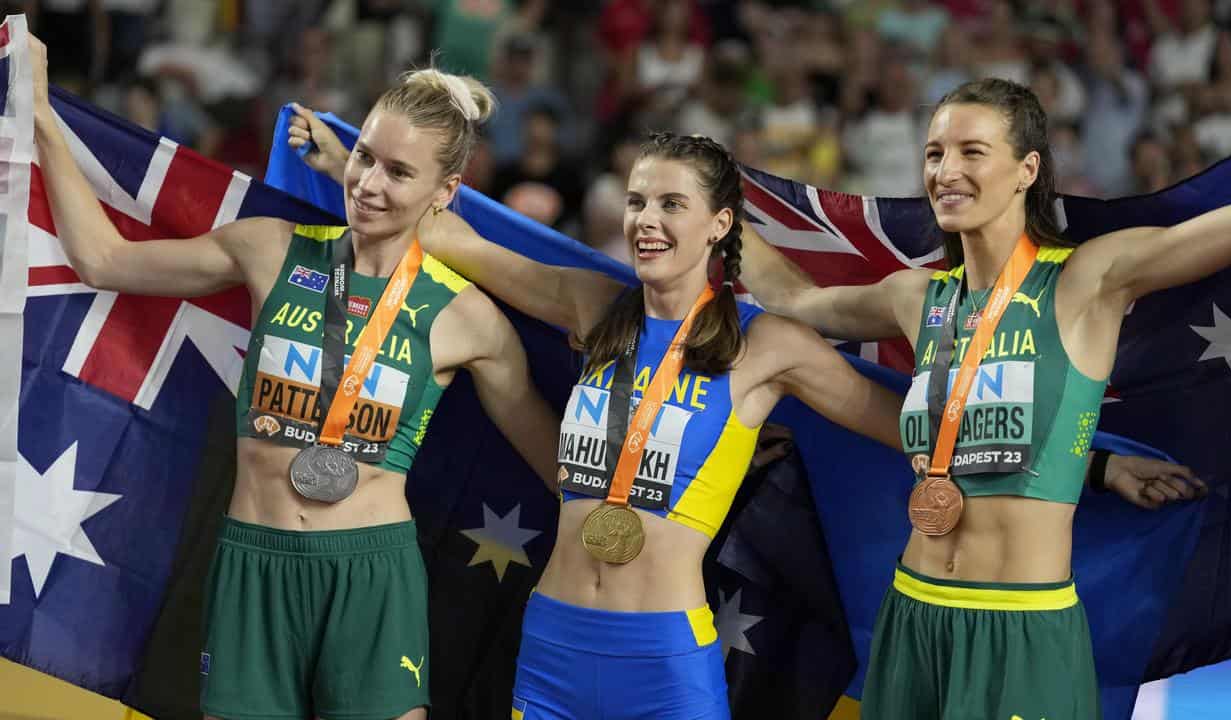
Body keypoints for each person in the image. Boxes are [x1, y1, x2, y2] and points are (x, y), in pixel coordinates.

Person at [289, 117, 905, 717]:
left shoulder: (766, 346)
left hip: (667, 660)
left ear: (720, 224)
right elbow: (456, 241)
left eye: (671, 204)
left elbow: (908, 426)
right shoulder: (593, 306)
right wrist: (351, 168)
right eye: (637, 201)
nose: (646, 220)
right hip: (554, 644)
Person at [30, 35, 559, 720]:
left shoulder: (468, 319)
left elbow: (558, 469)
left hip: (373, 575)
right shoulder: (268, 247)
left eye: (399, 172)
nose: (368, 184)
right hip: (254, 562)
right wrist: (41, 115)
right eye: (364, 157)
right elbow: (104, 260)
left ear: (445, 191)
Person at [737, 77, 1231, 718]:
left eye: (971, 151)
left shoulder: (1088, 281)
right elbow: (794, 299)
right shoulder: (915, 298)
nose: (945, 171)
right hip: (914, 612)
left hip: (1024, 626)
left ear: (1027, 170)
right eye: (935, 153)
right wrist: (714, 207)